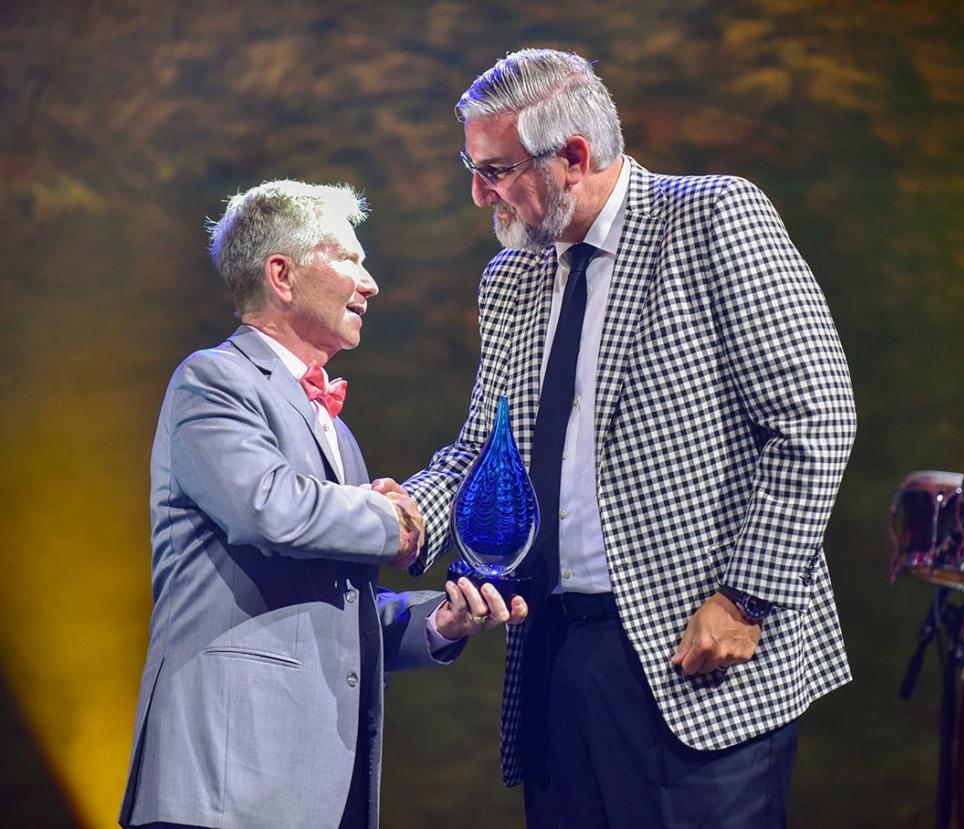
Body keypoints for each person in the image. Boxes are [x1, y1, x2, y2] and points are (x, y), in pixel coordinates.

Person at [401, 49, 856, 827]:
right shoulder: (512, 276)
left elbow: (816, 416)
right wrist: (408, 512)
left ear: (573, 157)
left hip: (695, 653)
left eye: (498, 168)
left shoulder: (711, 216)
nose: (480, 193)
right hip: (556, 651)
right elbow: (482, 448)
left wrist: (745, 597)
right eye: (471, 168)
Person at [118, 179, 526, 829]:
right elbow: (268, 507)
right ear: (281, 274)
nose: (370, 285)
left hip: (318, 788)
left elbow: (335, 612)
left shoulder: (340, 436)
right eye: (350, 260)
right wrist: (396, 521)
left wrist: (440, 622)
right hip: (224, 783)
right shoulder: (213, 381)